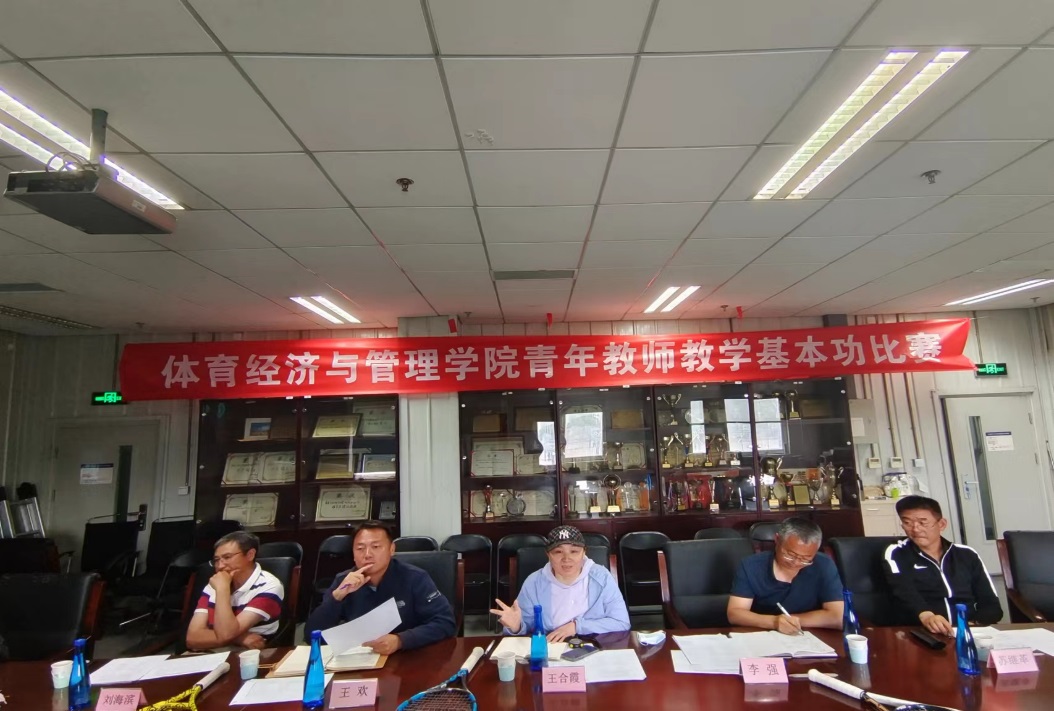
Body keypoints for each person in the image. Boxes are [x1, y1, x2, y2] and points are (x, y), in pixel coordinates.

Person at [305, 521, 456, 654]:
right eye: (360, 548)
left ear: (391, 549)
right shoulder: (343, 581)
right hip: (361, 658)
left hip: (409, 655)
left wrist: (401, 640)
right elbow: (312, 636)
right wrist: (336, 597)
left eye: (376, 547)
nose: (367, 554)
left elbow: (445, 622)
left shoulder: (414, 578)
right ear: (353, 554)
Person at [884, 495, 1002, 635]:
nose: (915, 529)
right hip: (922, 632)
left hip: (970, 630)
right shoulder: (896, 553)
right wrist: (927, 616)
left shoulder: (966, 554)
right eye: (907, 522)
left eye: (923, 522)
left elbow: (991, 604)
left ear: (941, 524)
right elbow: (904, 592)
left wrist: (968, 627)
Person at [491, 525, 630, 642]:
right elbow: (525, 626)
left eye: (574, 551)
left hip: (595, 644)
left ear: (584, 552)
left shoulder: (602, 578)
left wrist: (576, 627)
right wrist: (516, 627)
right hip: (551, 646)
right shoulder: (534, 582)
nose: (566, 558)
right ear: (548, 554)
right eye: (558, 552)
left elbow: (621, 622)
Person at [727, 517, 843, 634]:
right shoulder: (752, 566)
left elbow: (837, 617)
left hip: (809, 636)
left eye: (805, 559)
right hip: (763, 634)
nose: (796, 562)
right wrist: (774, 622)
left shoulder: (824, 565)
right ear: (777, 539)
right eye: (790, 555)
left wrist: (792, 622)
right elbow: (735, 614)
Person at [186, 531, 284, 651]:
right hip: (207, 651)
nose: (220, 566)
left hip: (246, 653)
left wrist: (222, 590)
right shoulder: (216, 583)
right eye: (216, 560)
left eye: (227, 557)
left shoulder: (269, 586)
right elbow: (192, 638)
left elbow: (226, 634)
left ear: (250, 555)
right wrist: (240, 638)